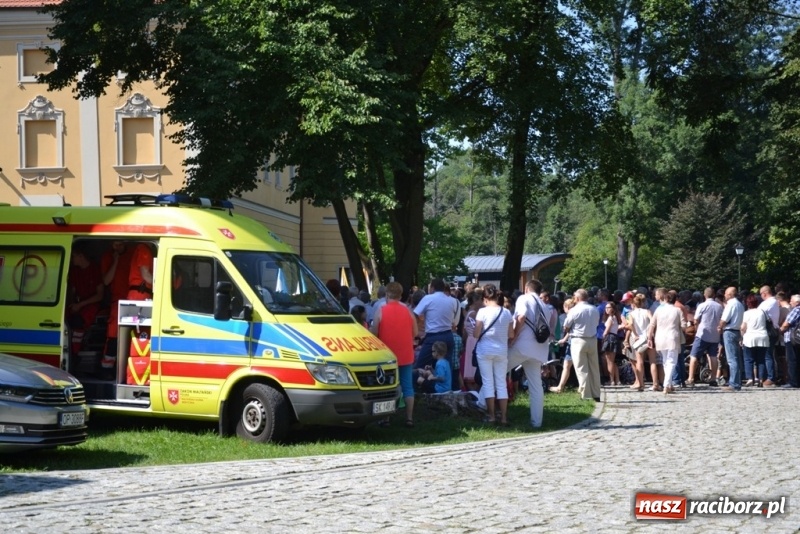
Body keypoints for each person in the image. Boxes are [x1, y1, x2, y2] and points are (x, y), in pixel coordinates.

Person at [371, 281, 418, 426]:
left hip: (387, 356)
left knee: (388, 387)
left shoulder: (381, 310)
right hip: (406, 353)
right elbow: (415, 332)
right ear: (401, 294)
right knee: (408, 387)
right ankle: (409, 418)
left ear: (387, 294)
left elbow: (374, 332)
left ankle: (386, 418)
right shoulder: (408, 311)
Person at [508, 279, 549, 428]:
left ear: (526, 288)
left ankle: (482, 403)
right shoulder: (545, 305)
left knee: (497, 371)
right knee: (536, 386)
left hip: (522, 345)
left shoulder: (523, 298)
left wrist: (514, 337)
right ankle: (536, 422)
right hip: (539, 348)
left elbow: (521, 317)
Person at [473, 284, 514, 425]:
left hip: (484, 350)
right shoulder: (506, 312)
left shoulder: (482, 312)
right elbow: (511, 334)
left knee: (488, 383)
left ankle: (491, 415)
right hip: (501, 350)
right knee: (501, 383)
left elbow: (476, 333)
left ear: (485, 298)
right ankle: (504, 417)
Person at [100, 240, 134, 372]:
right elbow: (106, 281)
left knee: (134, 336)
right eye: (115, 244)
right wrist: (116, 260)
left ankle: (128, 369)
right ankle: (107, 369)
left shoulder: (133, 253)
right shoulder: (108, 257)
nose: (118, 246)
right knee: (113, 335)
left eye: (120, 244)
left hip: (135, 299)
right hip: (117, 301)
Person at [562, 288, 601, 402]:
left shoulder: (574, 310)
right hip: (592, 339)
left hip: (578, 340)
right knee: (594, 367)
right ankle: (596, 393)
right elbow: (596, 323)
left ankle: (586, 394)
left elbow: (566, 326)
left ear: (578, 298)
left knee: (581, 368)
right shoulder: (594, 309)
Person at [66, 243, 105, 355]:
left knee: (79, 321)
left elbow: (100, 295)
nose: (71, 259)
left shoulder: (95, 270)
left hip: (92, 303)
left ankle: (74, 353)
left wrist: (80, 305)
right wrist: (73, 304)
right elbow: (72, 292)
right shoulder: (75, 272)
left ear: (81, 256)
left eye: (73, 256)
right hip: (79, 303)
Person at [413, 278, 459, 370]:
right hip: (448, 335)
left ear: (432, 288)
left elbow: (415, 313)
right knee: (445, 367)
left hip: (433, 336)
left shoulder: (428, 298)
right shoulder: (451, 301)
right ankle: (445, 384)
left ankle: (423, 383)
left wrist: (416, 329)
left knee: (420, 366)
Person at [648, 288, 682, 394]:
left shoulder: (659, 309)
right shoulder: (677, 310)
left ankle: (669, 384)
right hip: (672, 338)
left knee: (665, 362)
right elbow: (684, 325)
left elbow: (652, 325)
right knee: (671, 362)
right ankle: (666, 385)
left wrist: (649, 338)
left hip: (660, 338)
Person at [687, 287, 724, 386]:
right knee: (713, 356)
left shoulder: (702, 305)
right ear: (714, 295)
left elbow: (695, 320)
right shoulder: (719, 306)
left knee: (694, 356)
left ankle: (690, 378)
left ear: (705, 295)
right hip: (714, 335)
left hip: (702, 334)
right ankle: (713, 378)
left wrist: (696, 329)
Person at [718, 286, 745, 391]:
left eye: (725, 293)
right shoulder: (740, 304)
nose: (724, 295)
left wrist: (720, 327)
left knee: (731, 359)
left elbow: (724, 319)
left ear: (729, 294)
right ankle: (737, 381)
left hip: (729, 331)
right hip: (737, 331)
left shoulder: (731, 305)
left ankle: (734, 384)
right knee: (737, 358)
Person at [742, 293, 770, 387]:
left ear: (747, 303)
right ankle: (761, 379)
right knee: (761, 360)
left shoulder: (746, 313)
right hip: (762, 336)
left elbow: (743, 327)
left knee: (748, 359)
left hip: (750, 337)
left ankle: (750, 378)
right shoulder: (762, 312)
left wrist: (742, 336)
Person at [625, 293, 652, 392]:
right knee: (652, 361)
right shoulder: (647, 311)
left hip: (638, 339)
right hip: (647, 336)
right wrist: (649, 331)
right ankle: (655, 383)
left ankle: (641, 383)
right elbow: (652, 321)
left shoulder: (631, 314)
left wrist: (635, 334)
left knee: (639, 361)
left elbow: (631, 324)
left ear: (633, 304)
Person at [461, 288, 483, 391]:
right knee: (474, 366)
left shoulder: (469, 312)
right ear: (475, 301)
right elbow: (477, 329)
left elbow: (464, 330)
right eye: (480, 300)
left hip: (470, 340)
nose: (482, 303)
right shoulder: (473, 314)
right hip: (474, 340)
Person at [551, 298, 575, 393]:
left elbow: (566, 328)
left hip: (571, 343)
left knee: (567, 365)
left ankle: (560, 387)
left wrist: (563, 339)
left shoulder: (569, 315)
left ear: (566, 307)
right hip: (572, 341)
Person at [757, 285, 779, 386]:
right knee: (767, 355)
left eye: (761, 294)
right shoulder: (774, 302)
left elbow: (758, 314)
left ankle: (770, 378)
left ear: (764, 293)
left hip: (768, 331)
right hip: (770, 331)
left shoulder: (768, 303)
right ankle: (767, 377)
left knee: (767, 355)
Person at [779, 294, 800, 389]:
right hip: (797, 338)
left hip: (791, 338)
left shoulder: (796, 310)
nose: (790, 302)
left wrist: (780, 330)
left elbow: (787, 323)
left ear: (797, 302)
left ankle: (793, 382)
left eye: (792, 301)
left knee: (792, 360)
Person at [601, 301, 621, 386]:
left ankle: (611, 380)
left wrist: (603, 336)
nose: (606, 309)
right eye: (606, 308)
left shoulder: (610, 318)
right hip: (615, 337)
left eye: (608, 308)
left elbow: (607, 329)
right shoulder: (615, 317)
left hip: (610, 338)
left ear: (612, 309)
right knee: (613, 361)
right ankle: (617, 380)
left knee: (609, 361)